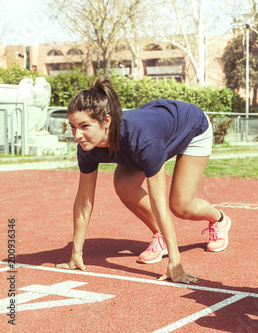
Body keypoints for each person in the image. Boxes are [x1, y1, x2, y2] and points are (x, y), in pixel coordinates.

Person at [55, 76, 231, 284]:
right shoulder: (87, 146)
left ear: (106, 121)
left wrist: (175, 264)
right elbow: (84, 202)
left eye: (84, 126)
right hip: (152, 124)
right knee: (124, 185)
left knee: (181, 206)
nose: (77, 134)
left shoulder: (143, 141)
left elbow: (158, 203)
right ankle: (160, 236)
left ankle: (219, 219)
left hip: (190, 126)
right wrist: (76, 254)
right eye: (73, 126)